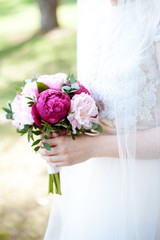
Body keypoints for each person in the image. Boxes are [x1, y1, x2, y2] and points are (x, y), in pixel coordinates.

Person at [39, 0, 160, 239]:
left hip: (148, 188)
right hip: (95, 185)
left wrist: (92, 147)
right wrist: (64, 131)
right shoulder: (92, 7)